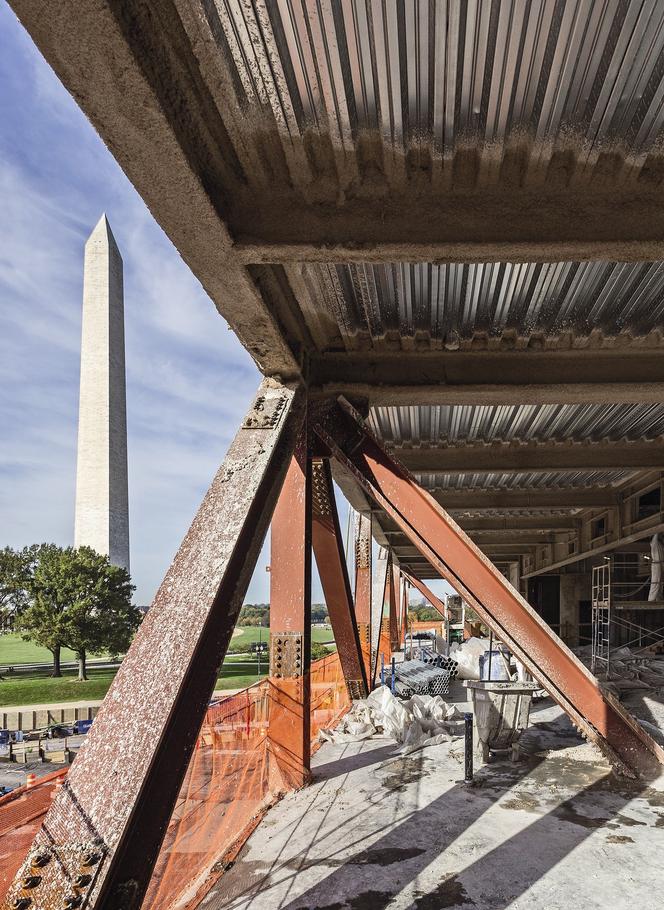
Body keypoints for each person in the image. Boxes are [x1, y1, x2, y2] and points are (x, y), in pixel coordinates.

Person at [648, 533, 664, 601]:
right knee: (656, 581)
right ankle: (651, 599)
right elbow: (656, 533)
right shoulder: (654, 542)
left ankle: (658, 597)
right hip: (656, 564)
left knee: (660, 582)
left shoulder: (660, 544)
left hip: (661, 563)